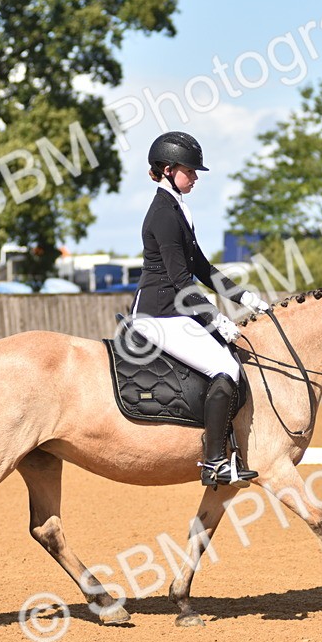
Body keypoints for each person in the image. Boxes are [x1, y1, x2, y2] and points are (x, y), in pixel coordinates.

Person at [127, 131, 270, 487]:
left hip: (174, 311)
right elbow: (179, 280)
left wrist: (243, 297)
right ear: (167, 169)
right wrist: (215, 317)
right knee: (224, 367)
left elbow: (201, 267)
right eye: (190, 170)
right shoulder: (163, 213)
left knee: (230, 359)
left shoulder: (178, 208)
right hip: (158, 315)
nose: (195, 177)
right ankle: (214, 463)